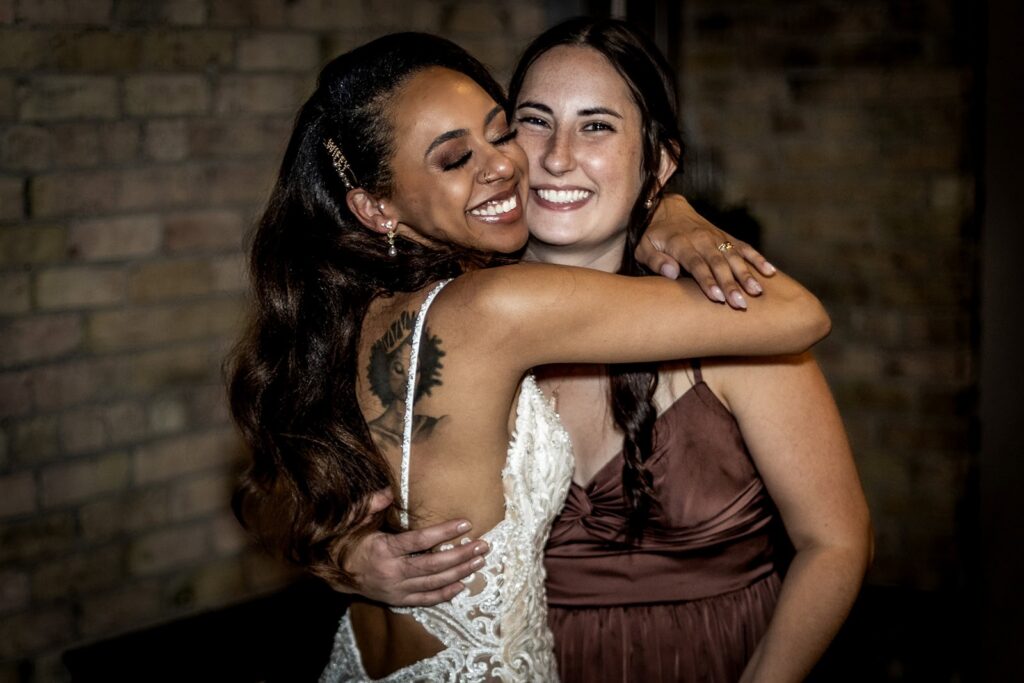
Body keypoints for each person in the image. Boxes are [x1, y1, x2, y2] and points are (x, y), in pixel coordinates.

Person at [227, 32, 830, 682]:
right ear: (376, 208)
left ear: (654, 156)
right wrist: (671, 212)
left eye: (500, 131)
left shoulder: (364, 305)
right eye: (457, 157)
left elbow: (283, 478)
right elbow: (801, 312)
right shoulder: (500, 306)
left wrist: (342, 550)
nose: (508, 164)